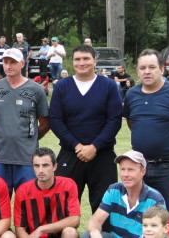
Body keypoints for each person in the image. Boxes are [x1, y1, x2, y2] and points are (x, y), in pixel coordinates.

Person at [50, 45, 122, 214]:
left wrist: (94, 146)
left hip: (102, 155)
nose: (82, 63)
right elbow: (55, 120)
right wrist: (77, 145)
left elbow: (114, 120)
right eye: (77, 59)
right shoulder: (62, 86)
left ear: (94, 60)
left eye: (86, 59)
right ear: (72, 62)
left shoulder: (109, 86)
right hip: (70, 153)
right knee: (63, 208)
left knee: (105, 210)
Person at [123, 49, 169, 211]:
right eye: (142, 68)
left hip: (168, 167)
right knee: (140, 214)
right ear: (137, 71)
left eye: (152, 67)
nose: (147, 71)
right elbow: (132, 123)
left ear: (162, 69)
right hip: (140, 166)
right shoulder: (131, 94)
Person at [0, 48, 50, 193]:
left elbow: (45, 123)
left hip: (27, 158)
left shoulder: (36, 90)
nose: (8, 66)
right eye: (5, 62)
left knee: (27, 204)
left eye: (13, 62)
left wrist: (30, 138)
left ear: (22, 63)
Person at [85, 150, 166, 238]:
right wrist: (95, 232)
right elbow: (95, 221)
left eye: (130, 170)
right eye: (122, 169)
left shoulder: (155, 199)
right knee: (88, 235)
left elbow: (159, 234)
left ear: (143, 171)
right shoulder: (114, 190)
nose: (125, 174)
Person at [14, 147, 80, 238]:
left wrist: (42, 229)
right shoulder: (23, 190)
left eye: (45, 165)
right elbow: (19, 228)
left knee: (70, 232)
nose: (40, 170)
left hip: (59, 235)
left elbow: (75, 219)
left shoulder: (68, 185)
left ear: (55, 166)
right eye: (36, 166)